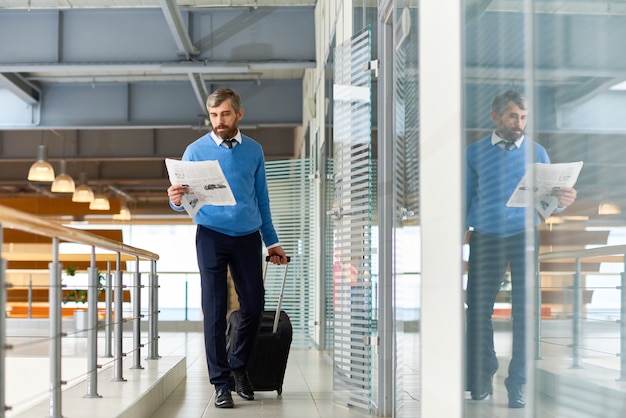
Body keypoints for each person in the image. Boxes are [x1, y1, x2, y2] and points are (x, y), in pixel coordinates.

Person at [167, 87, 288, 409]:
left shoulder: (254, 150)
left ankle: (238, 368)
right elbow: (185, 201)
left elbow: (261, 199)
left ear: (239, 114)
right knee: (215, 310)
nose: (219, 121)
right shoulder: (195, 150)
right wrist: (175, 201)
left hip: (247, 236)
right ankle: (221, 383)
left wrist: (272, 242)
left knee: (253, 306)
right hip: (211, 235)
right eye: (214, 115)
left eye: (225, 114)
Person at [465, 90, 577, 409]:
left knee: (524, 313)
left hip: (523, 235)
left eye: (524, 117)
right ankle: (483, 374)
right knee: (477, 310)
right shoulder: (473, 154)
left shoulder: (537, 152)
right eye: (513, 116)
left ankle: (518, 383)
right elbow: (464, 198)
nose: (520, 123)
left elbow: (548, 204)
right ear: (495, 116)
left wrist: (563, 201)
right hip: (485, 237)